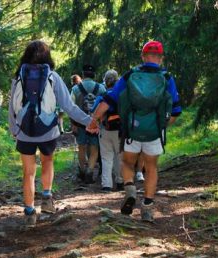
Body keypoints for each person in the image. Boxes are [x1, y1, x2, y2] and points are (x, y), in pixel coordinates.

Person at [88, 41, 182, 222]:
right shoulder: (167, 78)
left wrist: (94, 120)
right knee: (151, 167)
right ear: (160, 58)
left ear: (143, 56)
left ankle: (130, 188)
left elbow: (109, 100)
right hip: (154, 131)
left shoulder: (130, 75)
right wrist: (161, 126)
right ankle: (147, 208)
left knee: (128, 163)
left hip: (131, 129)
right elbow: (176, 111)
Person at [8, 40, 91, 227]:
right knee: (48, 161)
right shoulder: (53, 77)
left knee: (28, 172)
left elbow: (11, 108)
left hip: (24, 131)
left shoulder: (18, 77)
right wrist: (89, 121)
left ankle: (29, 213)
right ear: (48, 56)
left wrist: (14, 129)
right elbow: (68, 106)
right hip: (47, 130)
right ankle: (46, 197)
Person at [71, 65, 106, 184]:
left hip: (80, 123)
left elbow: (71, 107)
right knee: (94, 148)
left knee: (81, 147)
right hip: (96, 123)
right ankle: (90, 172)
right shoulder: (101, 88)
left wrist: (73, 124)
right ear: (94, 75)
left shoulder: (76, 89)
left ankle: (81, 171)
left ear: (83, 74)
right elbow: (107, 104)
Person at [93, 69, 124, 192]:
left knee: (106, 158)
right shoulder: (122, 96)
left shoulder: (102, 97)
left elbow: (94, 112)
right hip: (120, 131)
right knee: (119, 156)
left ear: (105, 81)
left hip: (105, 130)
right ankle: (120, 181)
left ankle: (107, 185)